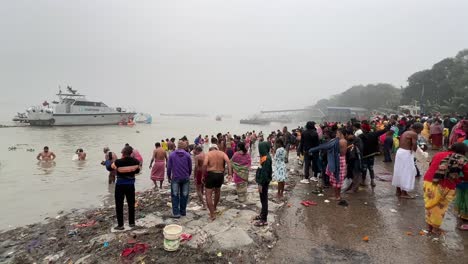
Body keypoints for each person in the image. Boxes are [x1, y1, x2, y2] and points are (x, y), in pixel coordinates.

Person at [423, 143, 468, 234]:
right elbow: (467, 174)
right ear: (463, 151)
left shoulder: (439, 154)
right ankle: (435, 228)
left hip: (428, 180)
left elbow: (431, 165)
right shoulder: (461, 159)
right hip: (444, 184)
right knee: (440, 207)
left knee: (431, 205)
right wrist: (460, 179)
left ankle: (429, 227)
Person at [309, 129, 347, 203]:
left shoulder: (339, 141)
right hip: (341, 160)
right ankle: (337, 195)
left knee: (336, 179)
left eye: (337, 133)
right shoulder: (344, 141)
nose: (336, 135)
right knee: (337, 179)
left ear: (340, 133)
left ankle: (337, 196)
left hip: (337, 160)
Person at [202, 138, 232, 221]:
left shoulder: (208, 154)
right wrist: (230, 174)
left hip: (211, 174)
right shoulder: (222, 153)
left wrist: (203, 175)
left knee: (208, 194)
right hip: (220, 174)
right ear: (216, 148)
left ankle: (212, 214)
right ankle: (214, 207)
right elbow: (229, 162)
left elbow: (204, 165)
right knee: (217, 191)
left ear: (210, 149)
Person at [111, 146, 140, 230]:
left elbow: (110, 167)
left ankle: (120, 225)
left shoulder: (118, 162)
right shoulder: (136, 161)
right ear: (131, 153)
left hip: (120, 185)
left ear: (123, 152)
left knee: (119, 204)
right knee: (131, 204)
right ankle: (131, 223)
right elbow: (137, 171)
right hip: (130, 185)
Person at [392, 122, 423, 199]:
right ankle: (404, 193)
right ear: (418, 129)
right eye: (421, 130)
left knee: (399, 171)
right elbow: (414, 145)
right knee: (408, 172)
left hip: (400, 152)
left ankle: (398, 190)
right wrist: (419, 150)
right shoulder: (414, 134)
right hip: (406, 153)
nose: (420, 132)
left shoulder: (406, 132)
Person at [167, 141, 192, 218]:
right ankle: (183, 212)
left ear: (177, 146)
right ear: (184, 147)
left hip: (175, 178)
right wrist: (188, 175)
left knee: (175, 195)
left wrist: (168, 176)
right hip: (185, 178)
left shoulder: (172, 155)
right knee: (184, 195)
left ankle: (176, 213)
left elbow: (169, 168)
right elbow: (190, 167)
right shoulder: (188, 155)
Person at [254, 141, 272, 227]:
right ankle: (262, 214)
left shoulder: (267, 159)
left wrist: (260, 183)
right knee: (262, 199)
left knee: (264, 200)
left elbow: (265, 173)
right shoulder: (264, 157)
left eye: (260, 148)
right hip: (262, 182)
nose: (259, 150)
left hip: (263, 183)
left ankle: (264, 219)